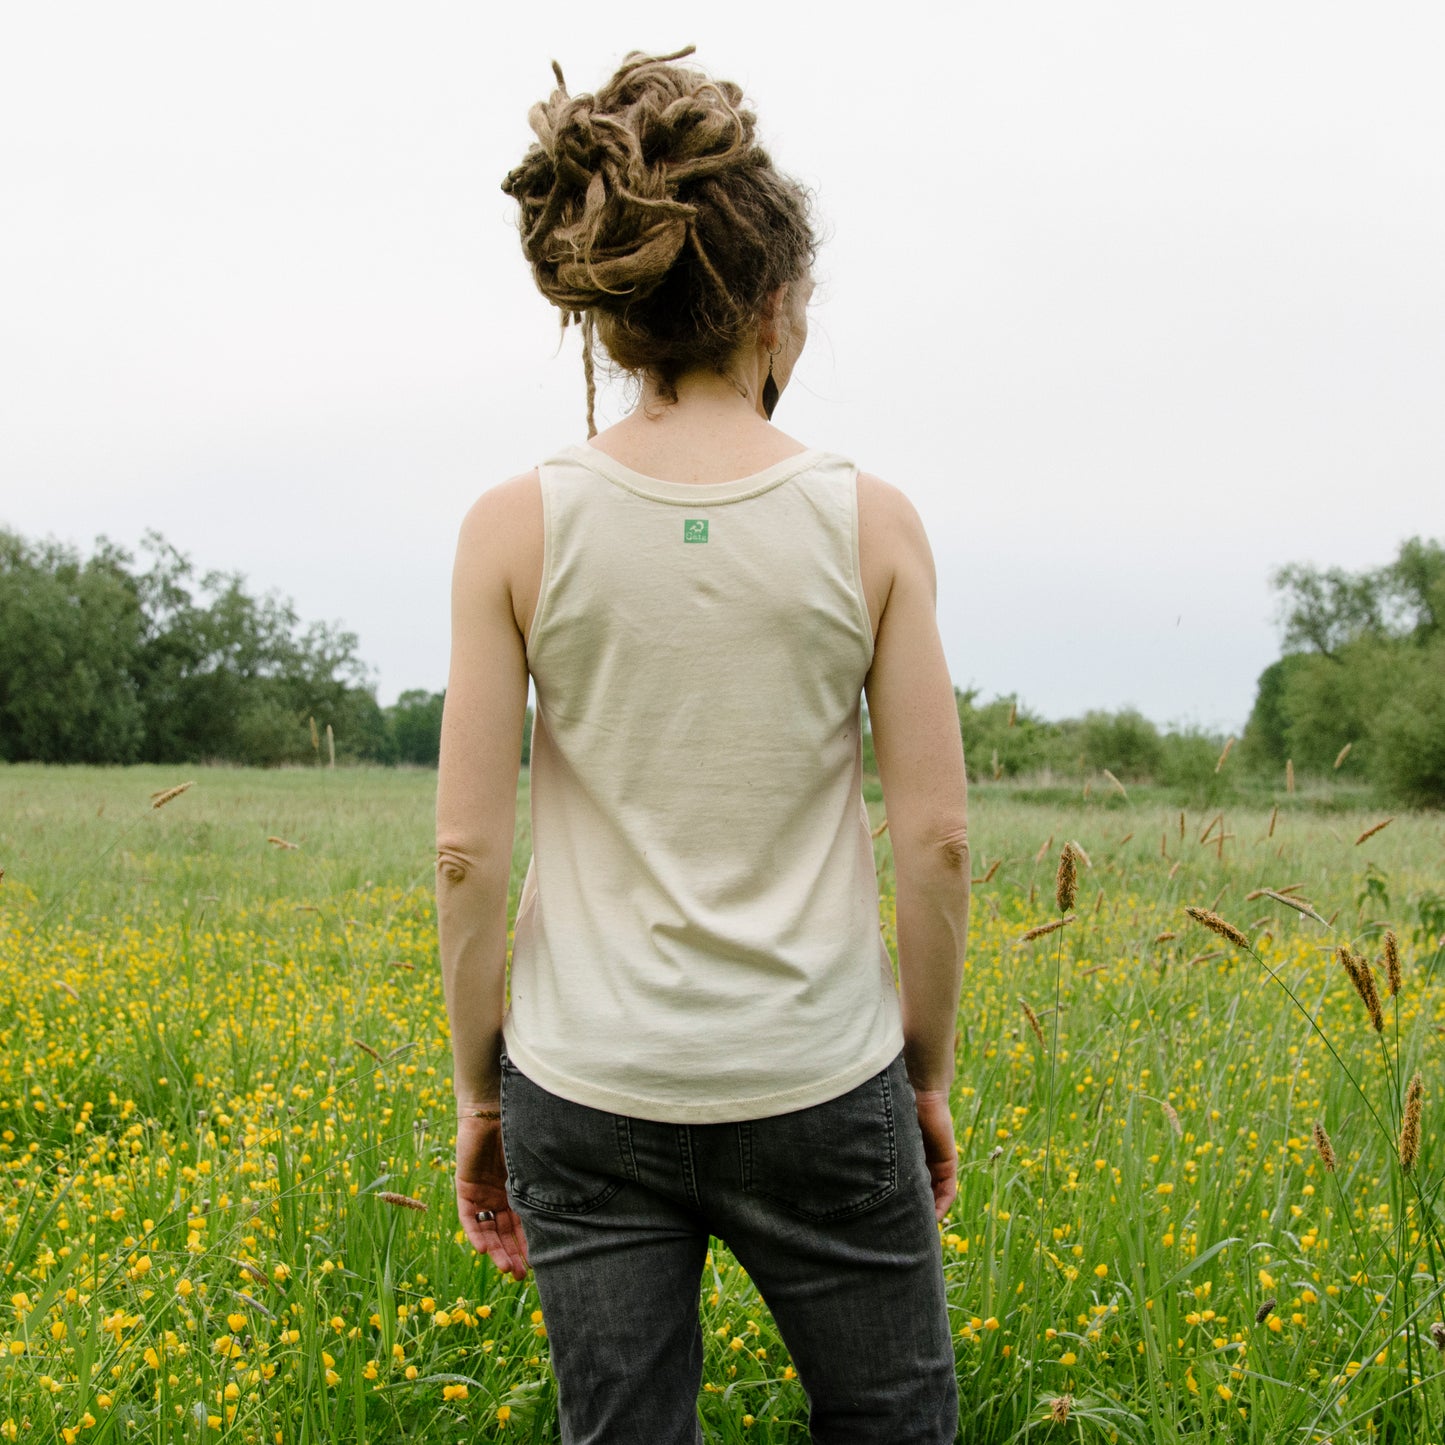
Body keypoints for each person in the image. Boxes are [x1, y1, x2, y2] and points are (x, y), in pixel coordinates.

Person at [435, 45, 970, 1445]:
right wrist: (919, 1072)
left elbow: (464, 850)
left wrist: (480, 1089)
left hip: (582, 1080)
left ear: (613, 317)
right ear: (778, 306)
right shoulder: (872, 523)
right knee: (892, 1423)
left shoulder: (511, 525)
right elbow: (937, 840)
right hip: (820, 1070)